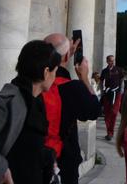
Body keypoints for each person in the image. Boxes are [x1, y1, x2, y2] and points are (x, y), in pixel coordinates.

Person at [0, 40, 61, 184]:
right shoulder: (6, 104)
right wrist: (0, 169)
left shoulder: (36, 102)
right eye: (55, 71)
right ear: (46, 72)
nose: (55, 77)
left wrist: (46, 155)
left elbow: (23, 147)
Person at [44, 33, 101, 184]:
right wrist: (84, 79)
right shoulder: (73, 88)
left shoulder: (33, 84)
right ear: (67, 55)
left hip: (35, 158)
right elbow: (94, 110)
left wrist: (67, 53)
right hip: (63, 160)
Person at [100, 55, 124, 141]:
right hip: (107, 94)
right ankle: (109, 132)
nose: (112, 62)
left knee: (114, 112)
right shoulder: (104, 71)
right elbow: (101, 81)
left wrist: (121, 91)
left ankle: (111, 132)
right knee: (107, 114)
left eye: (113, 60)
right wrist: (102, 91)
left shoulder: (118, 70)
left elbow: (122, 80)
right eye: (110, 60)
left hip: (116, 93)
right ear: (107, 61)